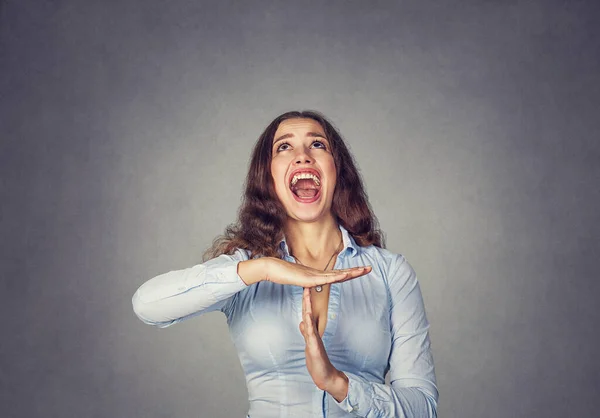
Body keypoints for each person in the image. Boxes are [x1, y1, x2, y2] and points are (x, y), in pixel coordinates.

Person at [132, 110, 439, 417]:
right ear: (267, 176)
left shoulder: (391, 272)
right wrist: (263, 268)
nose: (303, 156)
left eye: (317, 145)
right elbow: (147, 305)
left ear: (337, 171)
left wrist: (337, 383)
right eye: (284, 147)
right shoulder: (248, 270)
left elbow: (423, 407)